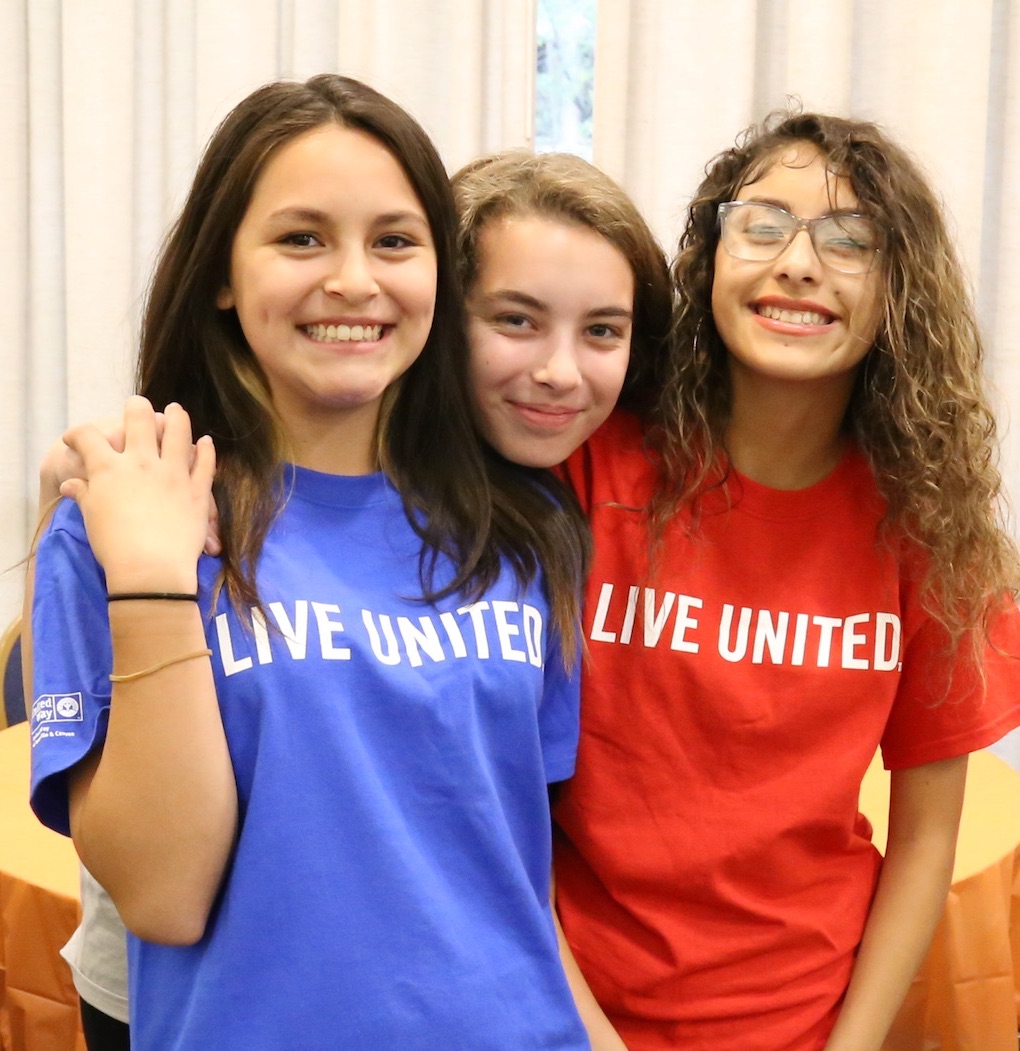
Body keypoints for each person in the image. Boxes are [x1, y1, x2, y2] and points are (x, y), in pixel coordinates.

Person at [32, 145, 673, 1050]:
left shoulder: (531, 526)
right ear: (221, 271)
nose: (353, 280)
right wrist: (149, 575)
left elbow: (503, 869)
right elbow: (164, 898)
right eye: (302, 237)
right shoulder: (128, 516)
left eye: (393, 241)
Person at [551, 110, 1020, 1050]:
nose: (799, 264)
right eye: (762, 225)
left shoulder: (930, 533)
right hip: (559, 1007)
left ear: (900, 292)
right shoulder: (589, 467)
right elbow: (493, 789)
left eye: (850, 242)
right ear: (708, 260)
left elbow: (925, 840)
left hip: (797, 1022)